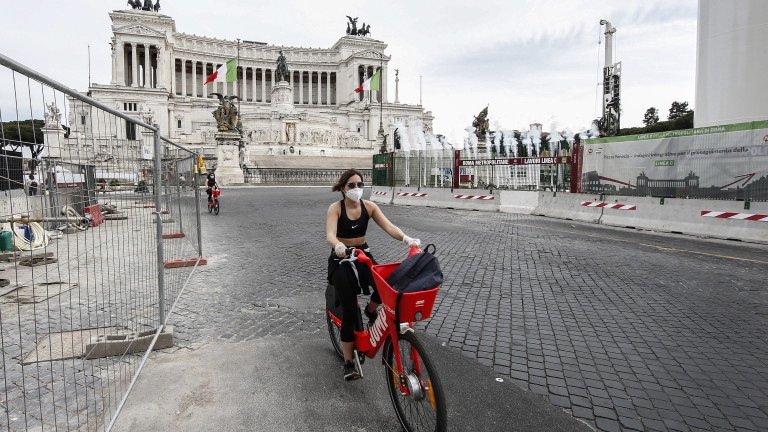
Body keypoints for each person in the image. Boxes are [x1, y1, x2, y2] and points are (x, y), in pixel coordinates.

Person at [325, 168, 420, 381]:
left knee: (386, 288)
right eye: (351, 185)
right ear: (342, 188)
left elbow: (389, 227)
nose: (356, 189)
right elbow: (330, 234)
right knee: (349, 311)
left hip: (362, 255)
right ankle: (348, 362)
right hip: (341, 258)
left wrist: (407, 239)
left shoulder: (370, 207)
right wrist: (338, 245)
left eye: (360, 185)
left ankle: (370, 310)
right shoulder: (336, 208)